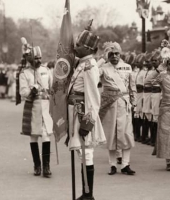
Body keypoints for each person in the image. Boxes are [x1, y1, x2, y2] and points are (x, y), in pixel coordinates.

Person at [67, 26, 106, 200]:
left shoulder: (90, 66)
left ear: (89, 49)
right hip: (76, 111)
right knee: (81, 153)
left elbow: (93, 97)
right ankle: (85, 193)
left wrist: (87, 123)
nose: (76, 46)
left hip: (83, 112)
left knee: (86, 153)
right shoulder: (82, 63)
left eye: (80, 44)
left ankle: (88, 195)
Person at [99, 42, 137, 176]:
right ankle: (113, 164)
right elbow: (92, 75)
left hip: (124, 105)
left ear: (120, 54)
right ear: (107, 55)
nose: (114, 56)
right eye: (111, 54)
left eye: (117, 54)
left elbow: (132, 88)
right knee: (112, 135)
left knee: (126, 134)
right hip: (110, 106)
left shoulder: (127, 67)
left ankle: (126, 164)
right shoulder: (103, 68)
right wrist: (102, 59)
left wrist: (134, 103)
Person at [19, 46, 53, 178]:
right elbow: (22, 92)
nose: (38, 60)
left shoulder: (45, 70)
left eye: (40, 57)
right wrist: (31, 91)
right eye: (35, 58)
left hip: (45, 106)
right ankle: (37, 165)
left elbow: (51, 86)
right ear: (29, 59)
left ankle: (46, 166)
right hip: (33, 106)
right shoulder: (24, 73)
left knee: (46, 135)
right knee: (34, 136)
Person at [149, 49, 162, 154]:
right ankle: (155, 141)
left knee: (158, 118)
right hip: (153, 94)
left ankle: (159, 142)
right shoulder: (154, 71)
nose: (153, 62)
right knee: (154, 118)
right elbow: (147, 82)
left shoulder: (162, 70)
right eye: (152, 60)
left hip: (160, 94)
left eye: (156, 60)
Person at [142, 52, 155, 145]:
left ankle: (153, 138)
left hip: (152, 94)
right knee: (147, 115)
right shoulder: (147, 72)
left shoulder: (154, 72)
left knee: (152, 116)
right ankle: (149, 137)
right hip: (146, 94)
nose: (147, 63)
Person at [134, 53, 146, 142]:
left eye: (139, 62)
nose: (137, 64)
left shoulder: (143, 73)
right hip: (137, 95)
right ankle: (137, 134)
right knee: (136, 114)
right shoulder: (138, 72)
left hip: (141, 94)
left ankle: (142, 135)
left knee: (141, 115)